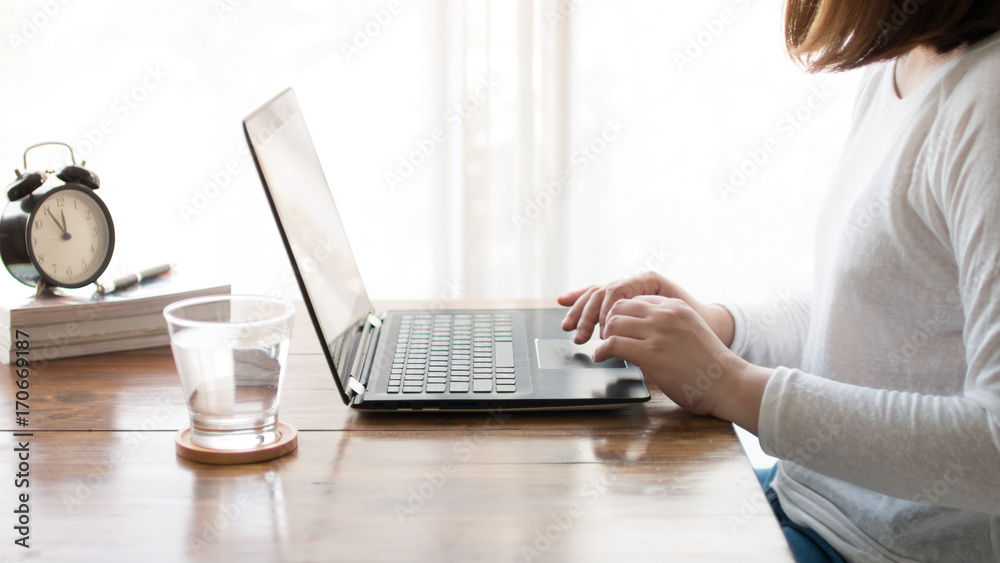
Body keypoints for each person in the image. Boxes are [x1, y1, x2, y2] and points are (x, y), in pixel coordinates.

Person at [559, 1, 1000, 561]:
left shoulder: (988, 104)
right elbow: (875, 308)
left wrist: (730, 384)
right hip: (806, 503)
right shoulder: (902, 63)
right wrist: (721, 328)